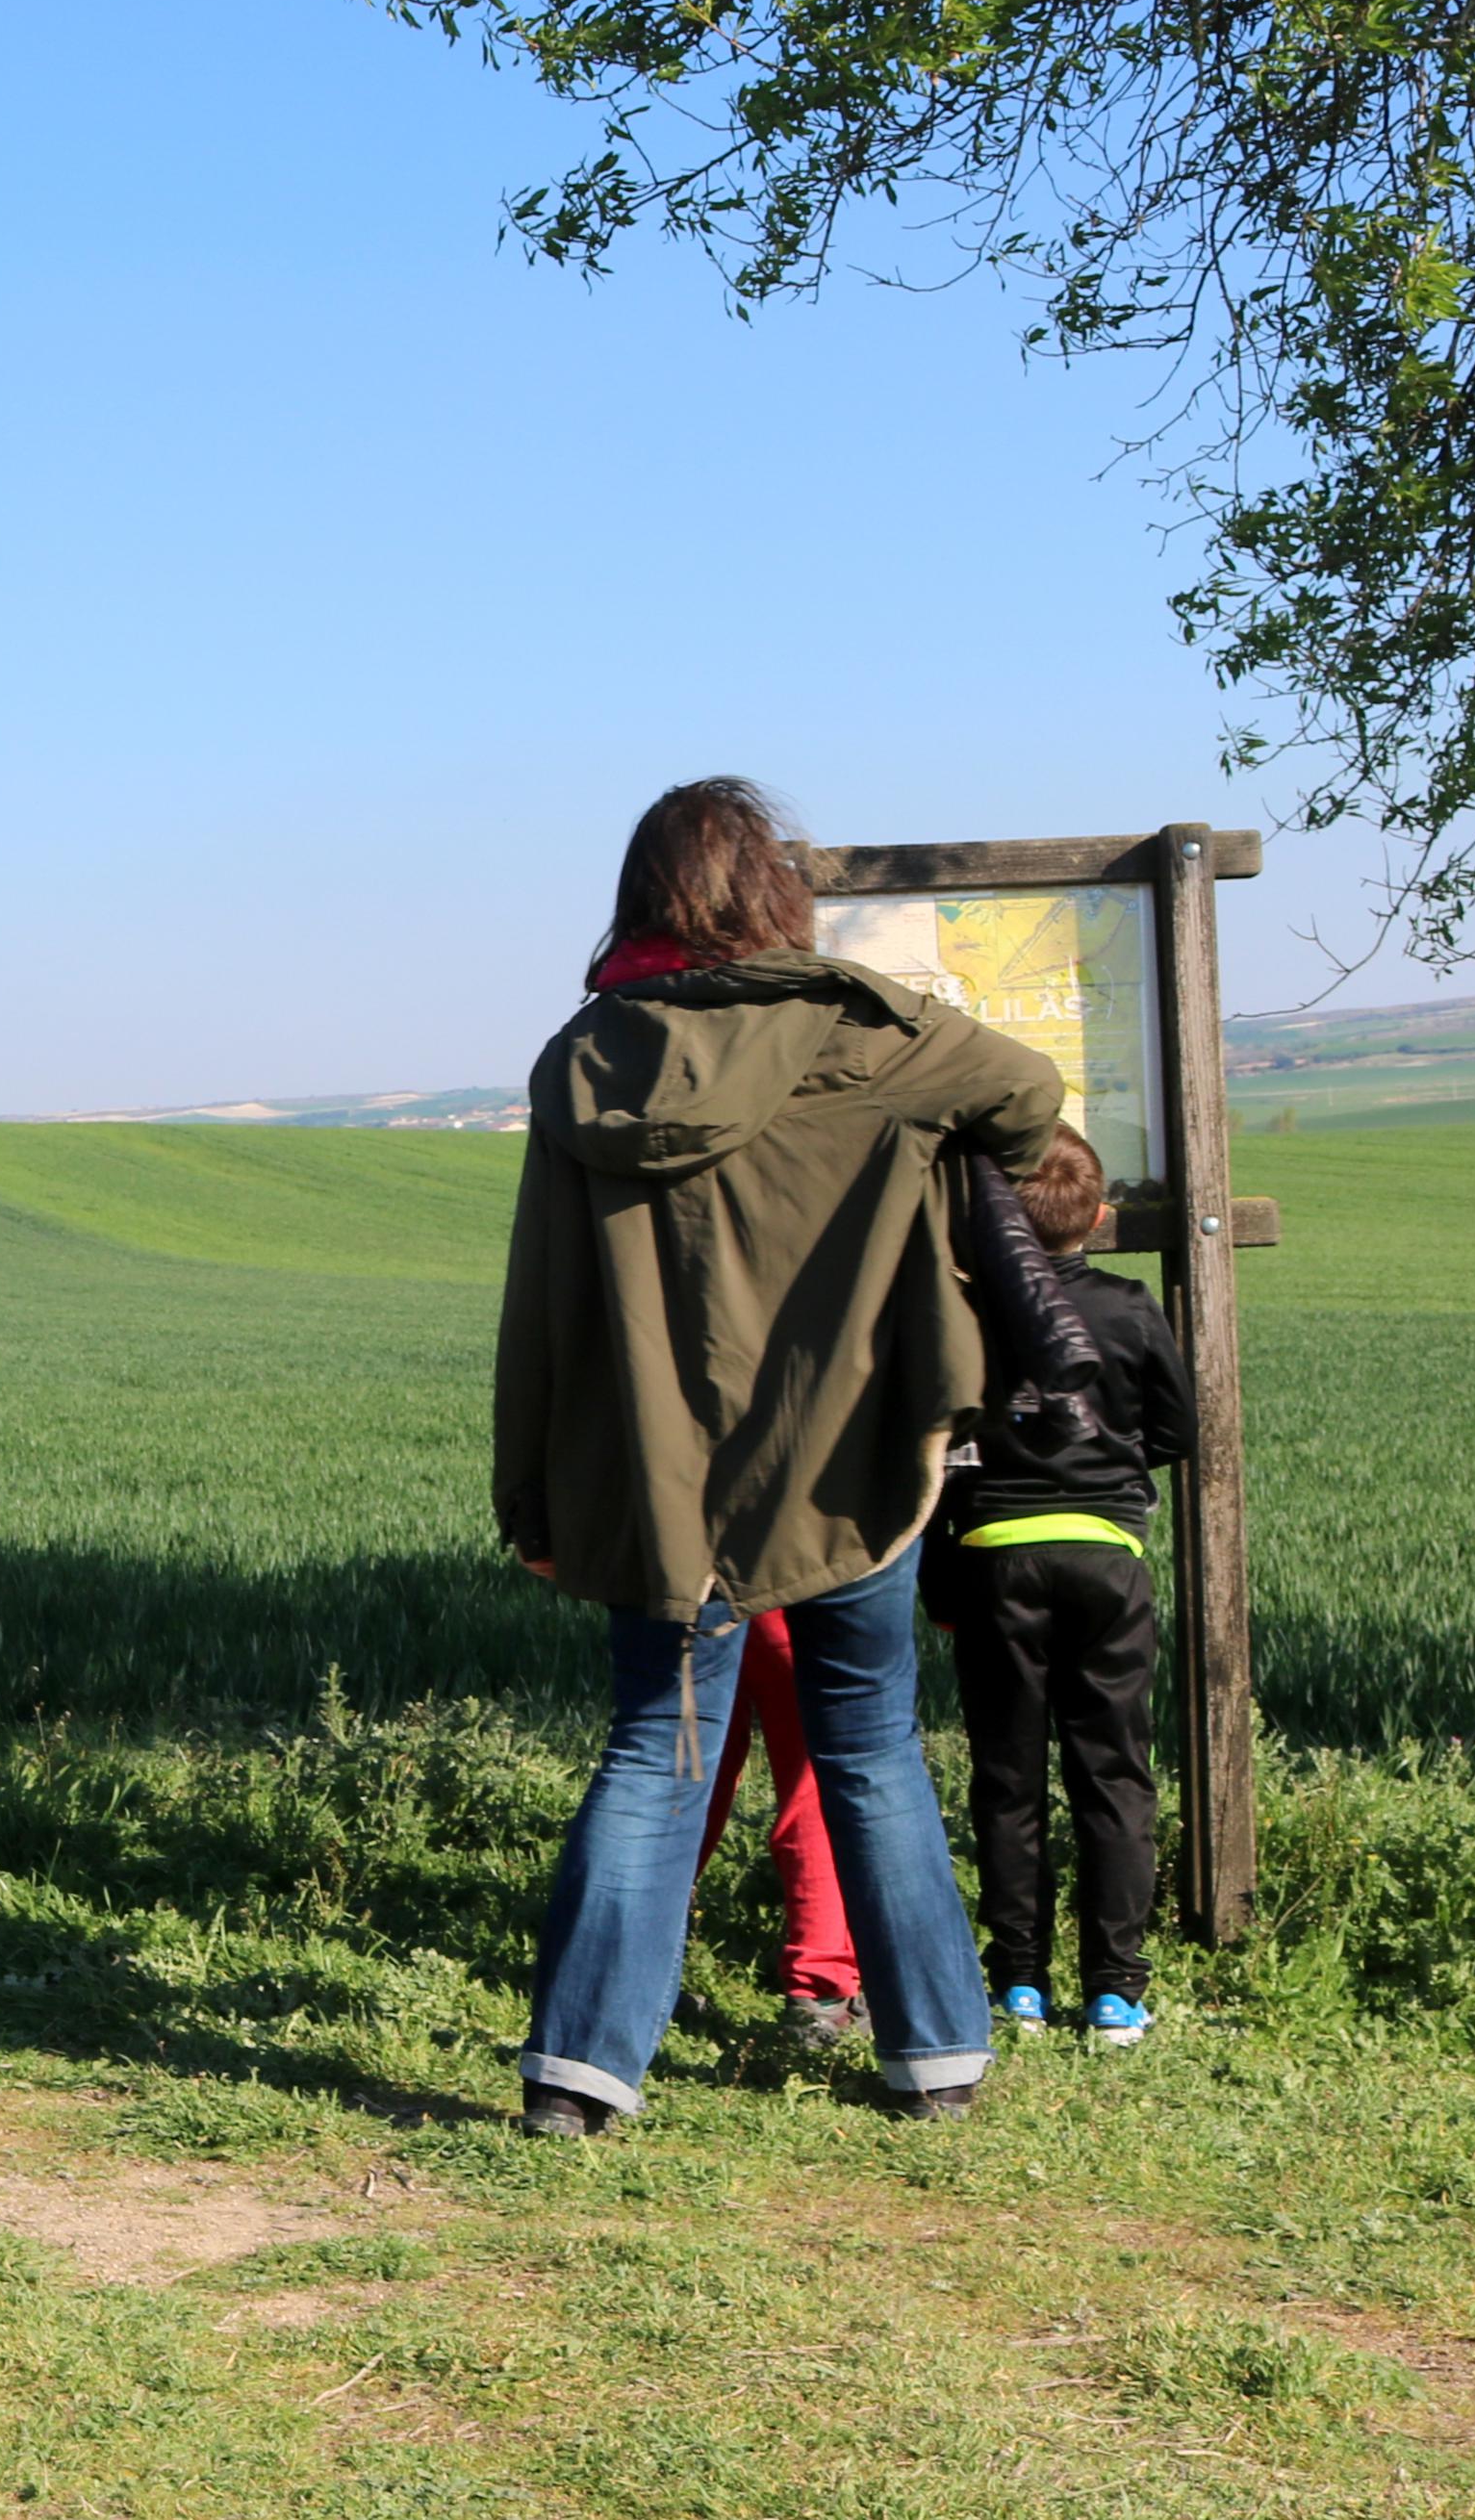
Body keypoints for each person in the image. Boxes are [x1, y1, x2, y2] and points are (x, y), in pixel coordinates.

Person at [494, 776, 1061, 2133]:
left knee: (652, 1745)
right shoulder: (869, 1038)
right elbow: (1026, 1098)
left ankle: (577, 2078)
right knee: (866, 1739)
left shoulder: (581, 1060)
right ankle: (932, 2060)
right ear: (776, 898)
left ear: (637, 900)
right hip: (850, 1467)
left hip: (655, 1479)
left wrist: (527, 1490)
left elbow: (539, 1302)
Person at [926, 1121, 1193, 2048]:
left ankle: (1020, 1985)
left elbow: (942, 1449)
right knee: (1112, 1773)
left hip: (994, 1553)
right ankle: (1115, 1991)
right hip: (1105, 1555)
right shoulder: (1126, 1306)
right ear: (1100, 1216)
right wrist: (1109, 1469)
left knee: (1007, 1777)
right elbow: (1175, 1432)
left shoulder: (971, 1315)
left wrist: (942, 1583)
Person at [689, 1611, 862, 2048]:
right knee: (812, 1794)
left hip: (688, 1589)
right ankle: (821, 1988)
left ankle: (622, 1968)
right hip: (791, 1595)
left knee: (675, 1785)